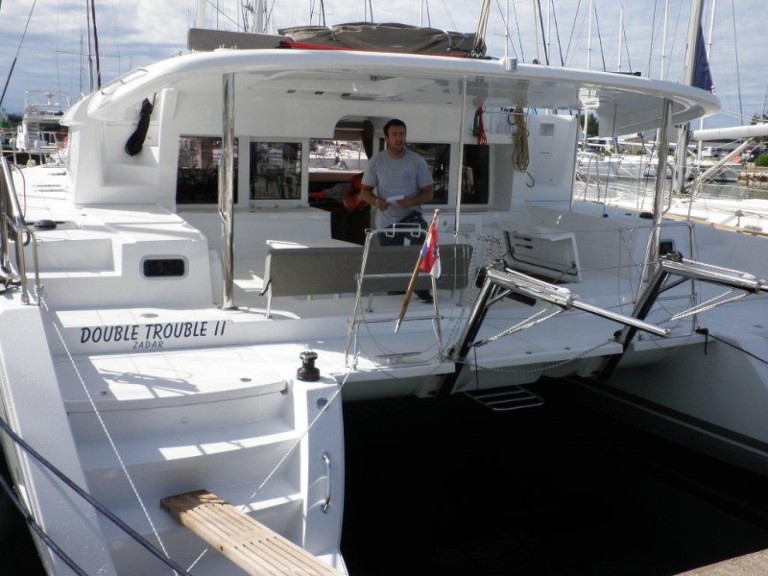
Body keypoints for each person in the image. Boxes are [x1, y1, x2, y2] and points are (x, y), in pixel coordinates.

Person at [360, 119, 434, 302]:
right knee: (392, 260)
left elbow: (429, 193)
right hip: (386, 219)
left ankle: (421, 287)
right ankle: (396, 293)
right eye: (395, 134)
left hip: (411, 214)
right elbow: (364, 192)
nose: (399, 138)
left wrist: (413, 201)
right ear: (386, 138)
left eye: (402, 134)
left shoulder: (417, 161)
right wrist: (377, 202)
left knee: (422, 239)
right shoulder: (376, 162)